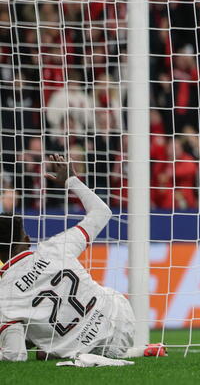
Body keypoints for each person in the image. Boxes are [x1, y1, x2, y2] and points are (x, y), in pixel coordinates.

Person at [0, 155, 164, 361]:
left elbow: (15, 356)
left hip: (86, 351)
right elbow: (102, 212)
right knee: (44, 338)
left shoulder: (4, 297)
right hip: (122, 320)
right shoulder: (55, 247)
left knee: (41, 345)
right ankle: (140, 350)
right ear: (27, 239)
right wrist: (71, 180)